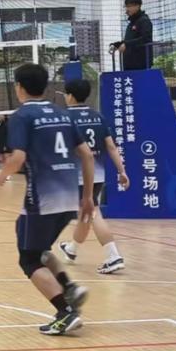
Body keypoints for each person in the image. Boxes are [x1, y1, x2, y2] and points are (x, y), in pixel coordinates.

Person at [0, 63, 96, 336]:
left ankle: (66, 312)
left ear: (19, 87)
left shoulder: (22, 116)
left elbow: (18, 157)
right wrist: (88, 197)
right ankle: (69, 286)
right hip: (70, 196)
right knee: (28, 237)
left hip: (42, 199)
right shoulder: (62, 114)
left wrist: (3, 173)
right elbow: (87, 155)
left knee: (29, 260)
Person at [58, 79, 131, 274]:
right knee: (86, 213)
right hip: (97, 174)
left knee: (92, 212)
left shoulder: (65, 117)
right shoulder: (97, 116)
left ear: (70, 96)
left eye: (65, 94)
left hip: (77, 175)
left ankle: (113, 256)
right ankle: (72, 249)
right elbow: (111, 147)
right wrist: (122, 171)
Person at [111, 0, 154, 70]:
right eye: (126, 6)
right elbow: (131, 39)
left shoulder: (144, 21)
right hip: (129, 63)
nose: (127, 9)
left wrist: (126, 44)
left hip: (140, 64)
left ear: (137, 6)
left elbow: (146, 39)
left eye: (129, 6)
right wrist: (118, 44)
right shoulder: (131, 23)